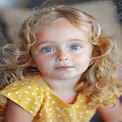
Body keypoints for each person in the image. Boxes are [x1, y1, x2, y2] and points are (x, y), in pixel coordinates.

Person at [0, 4, 122, 122]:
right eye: (48, 49)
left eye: (75, 47)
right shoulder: (27, 93)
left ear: (94, 54)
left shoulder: (99, 84)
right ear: (31, 58)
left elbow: (116, 119)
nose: (62, 56)